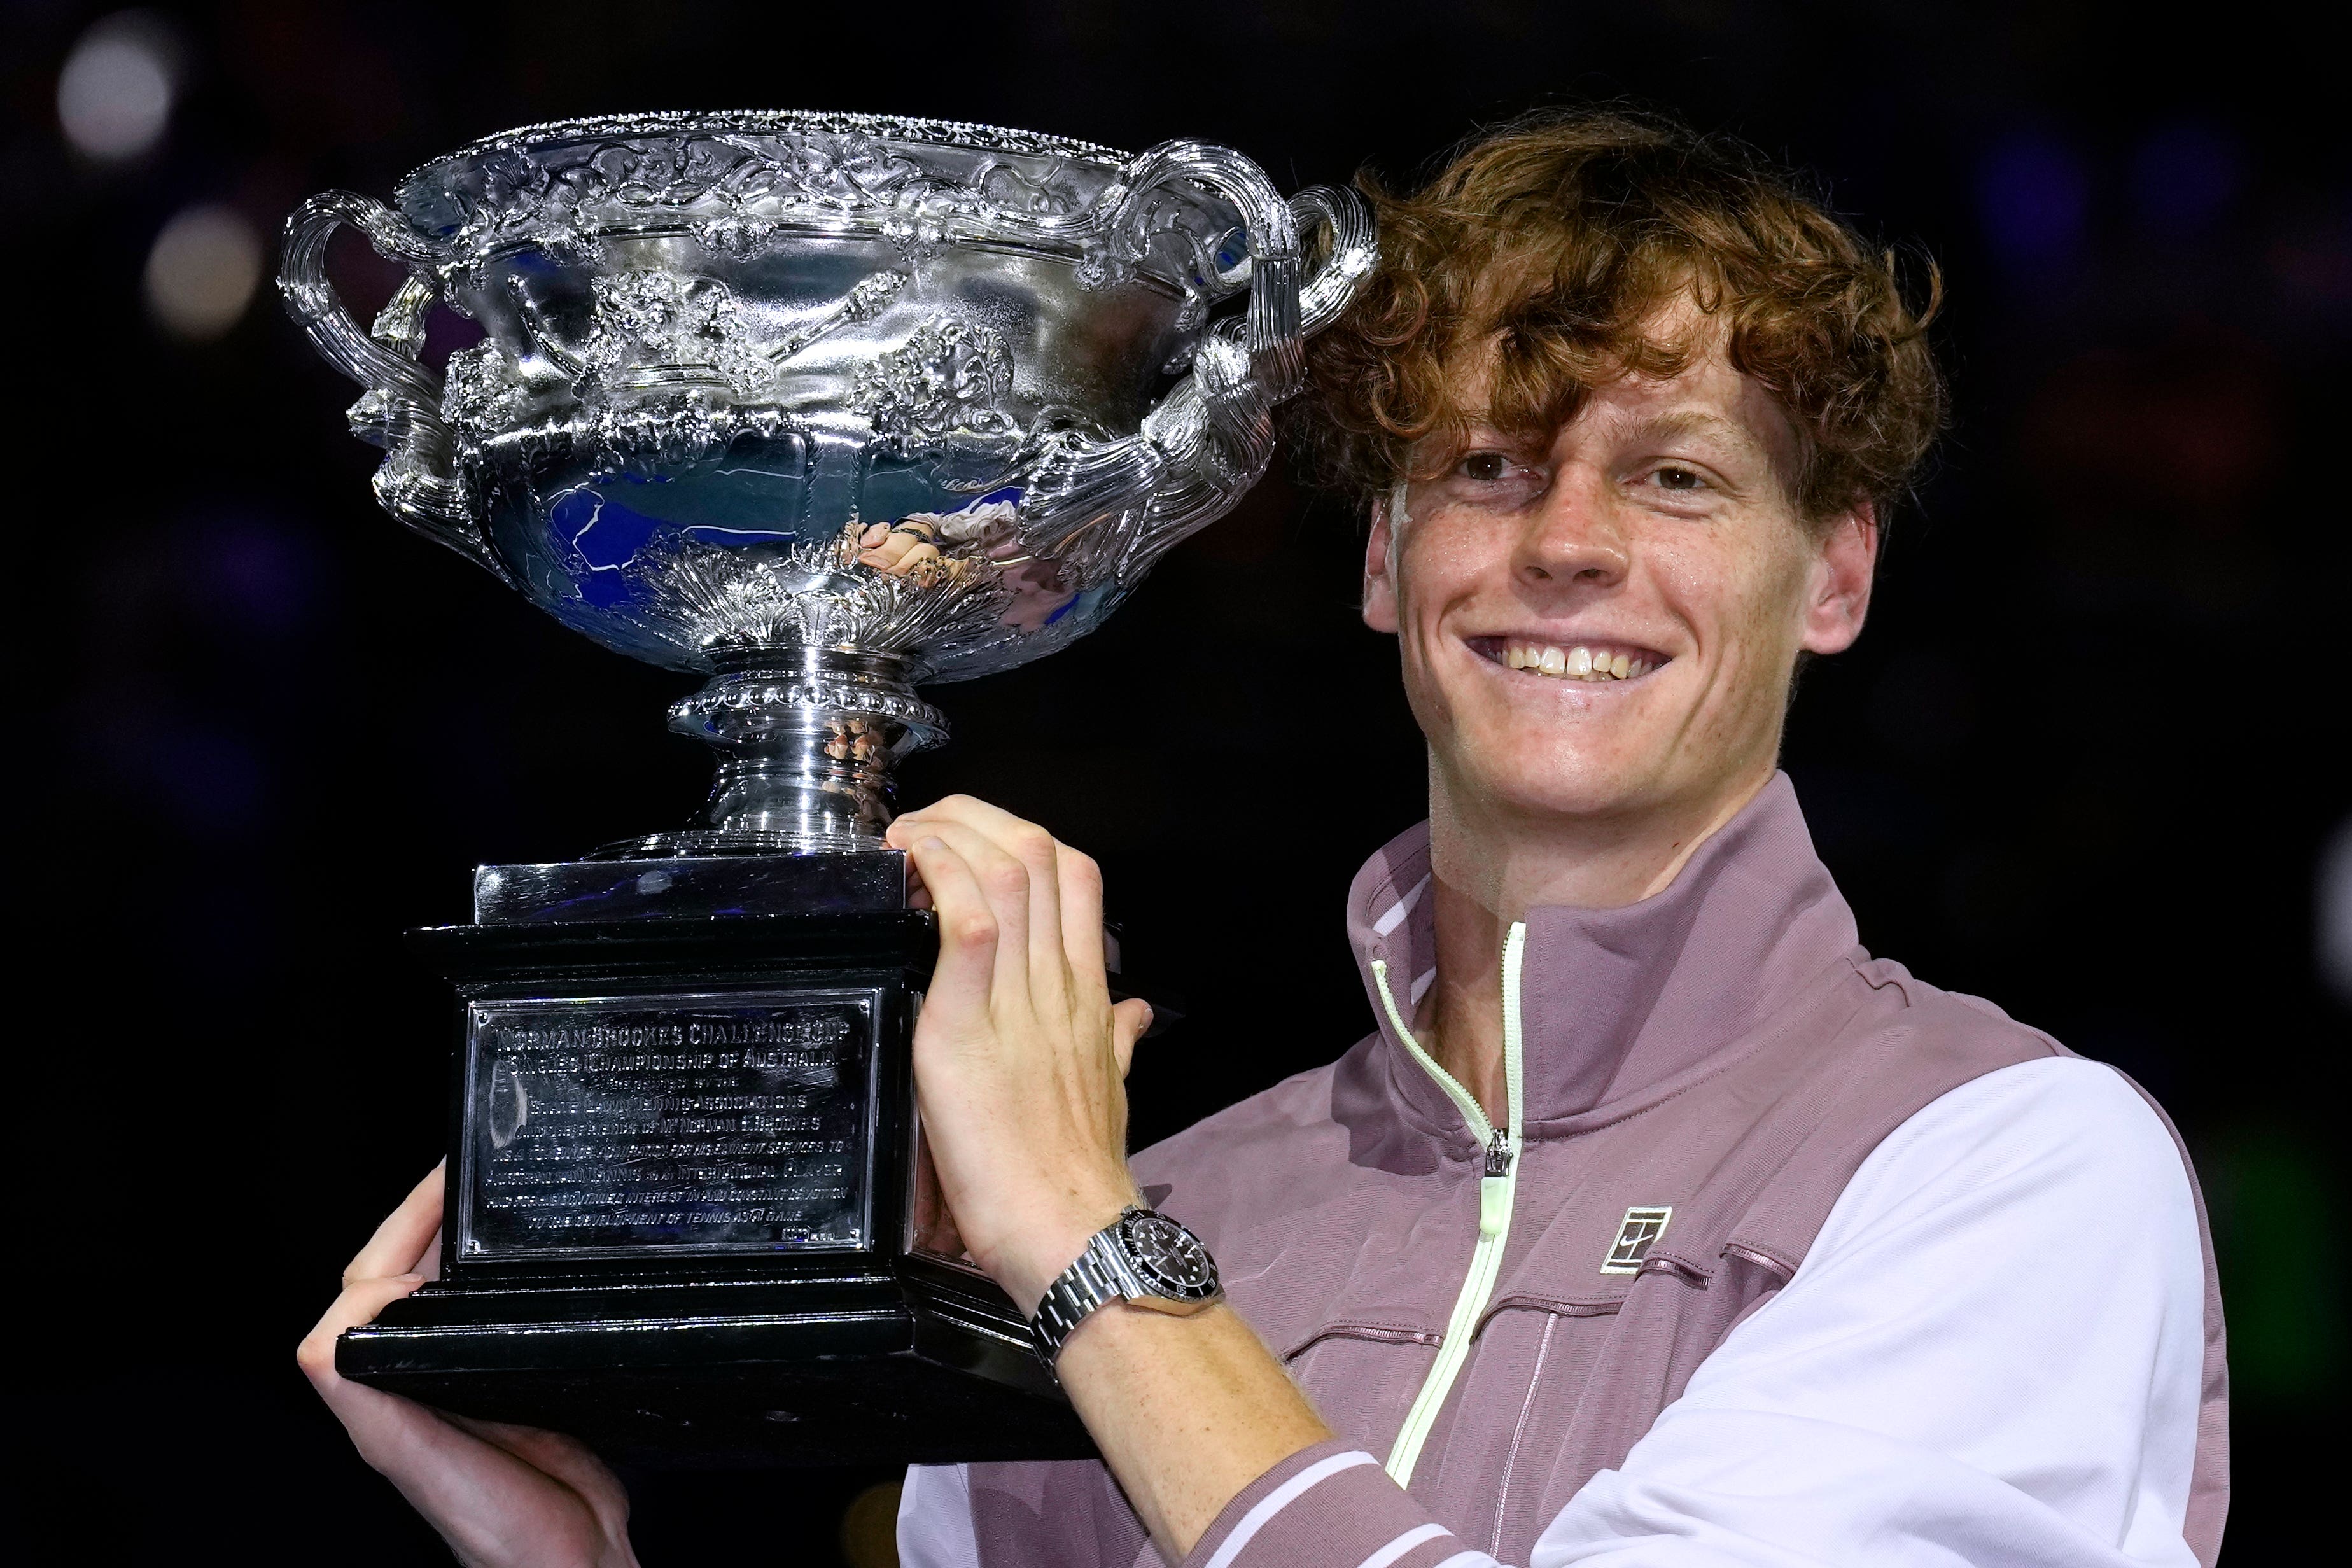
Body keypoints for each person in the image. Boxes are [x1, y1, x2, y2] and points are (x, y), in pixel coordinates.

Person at [302, 110, 2226, 1568]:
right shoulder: (1175, 1222)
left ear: (1838, 577)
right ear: (1387, 562)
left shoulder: (2007, 1170)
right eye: (1485, 466)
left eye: (1678, 477)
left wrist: (1088, 1241)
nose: (1566, 544)